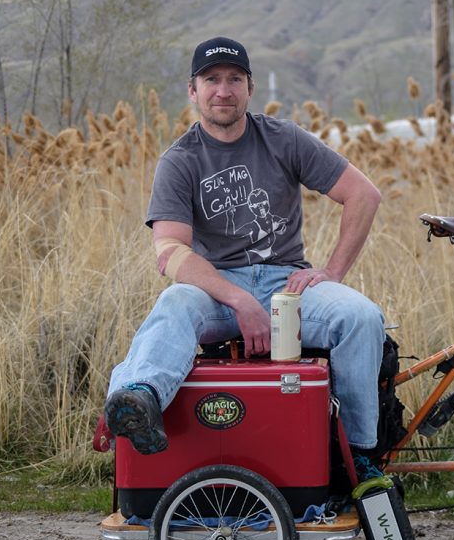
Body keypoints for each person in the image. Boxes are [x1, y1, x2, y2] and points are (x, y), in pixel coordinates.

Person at [104, 36, 385, 480]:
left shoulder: (283, 139)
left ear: (249, 88)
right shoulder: (179, 161)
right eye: (211, 80)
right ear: (192, 91)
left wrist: (331, 272)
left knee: (361, 317)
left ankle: (360, 456)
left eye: (235, 79)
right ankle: (140, 398)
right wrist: (238, 298)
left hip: (287, 287)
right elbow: (171, 253)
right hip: (216, 289)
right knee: (174, 303)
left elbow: (363, 195)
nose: (223, 90)